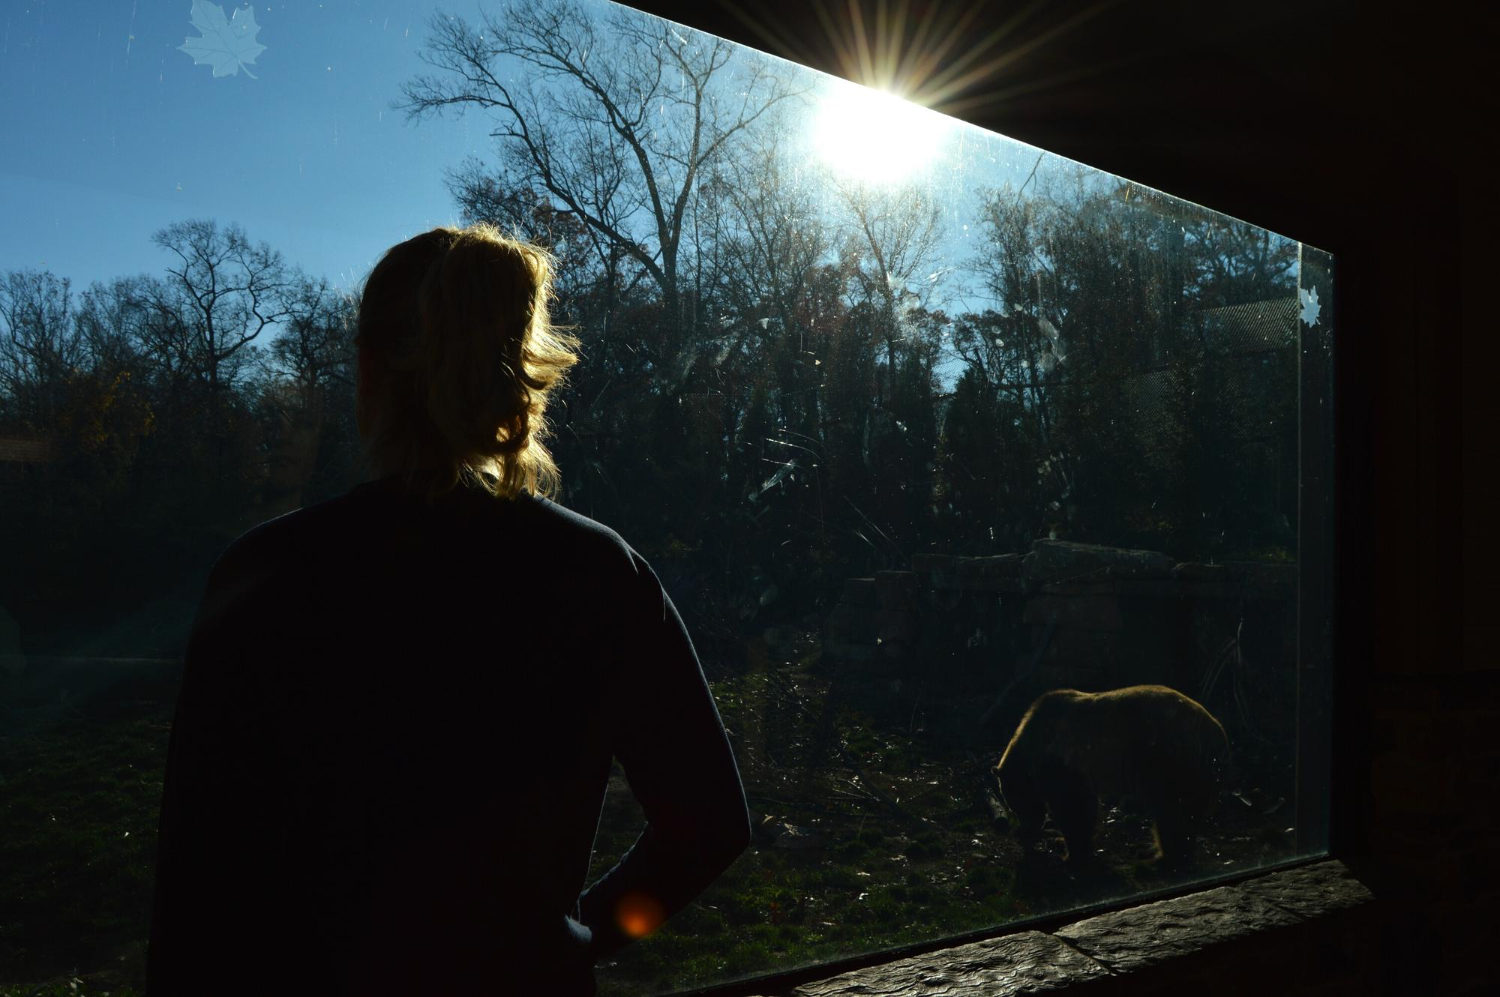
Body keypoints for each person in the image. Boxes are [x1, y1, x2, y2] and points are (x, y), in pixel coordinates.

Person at [146, 224, 751, 995]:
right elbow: (710, 821)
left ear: (368, 371)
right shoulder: (599, 571)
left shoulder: (265, 575)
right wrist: (572, 940)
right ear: (522, 376)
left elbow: (200, 883)